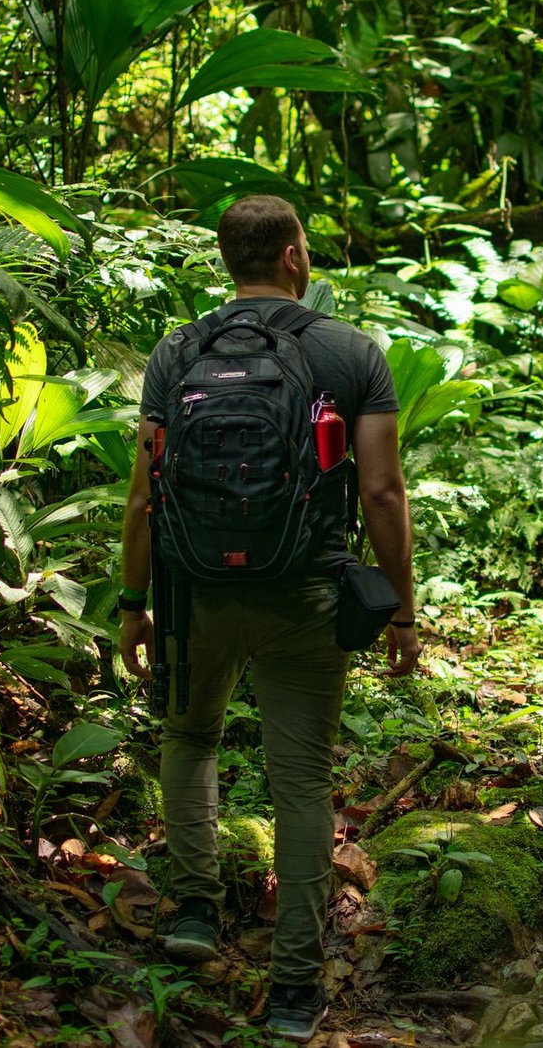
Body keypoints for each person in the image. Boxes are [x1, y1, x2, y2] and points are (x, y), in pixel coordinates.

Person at [116, 195, 422, 1042]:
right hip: (305, 598)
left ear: (228, 261)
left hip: (192, 596)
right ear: (293, 257)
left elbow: (144, 492)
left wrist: (130, 605)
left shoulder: (178, 351)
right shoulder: (350, 350)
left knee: (190, 740)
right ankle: (292, 990)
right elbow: (381, 492)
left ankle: (192, 914)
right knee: (300, 783)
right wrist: (400, 612)